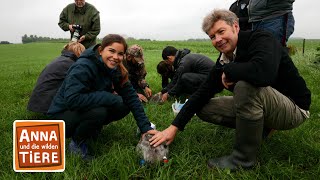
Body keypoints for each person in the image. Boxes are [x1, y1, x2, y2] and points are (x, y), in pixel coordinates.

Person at [150, 9, 311, 171]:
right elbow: (201, 93)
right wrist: (173, 127)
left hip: (294, 108)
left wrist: (229, 70)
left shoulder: (261, 39)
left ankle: (243, 159)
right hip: (267, 105)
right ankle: (260, 129)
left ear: (235, 27)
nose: (218, 40)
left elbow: (263, 74)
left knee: (245, 85)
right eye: (212, 36)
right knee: (203, 107)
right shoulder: (224, 59)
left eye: (221, 31)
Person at [47, 34, 158, 160]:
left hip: (81, 109)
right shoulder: (83, 66)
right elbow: (72, 100)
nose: (115, 57)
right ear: (100, 50)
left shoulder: (115, 69)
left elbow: (131, 97)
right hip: (60, 117)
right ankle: (77, 144)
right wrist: (107, 97)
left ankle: (90, 130)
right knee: (99, 111)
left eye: (120, 54)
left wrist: (145, 128)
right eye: (111, 51)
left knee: (124, 104)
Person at [27, 42, 85, 114]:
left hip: (39, 102)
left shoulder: (61, 59)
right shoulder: (70, 64)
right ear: (80, 52)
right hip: (46, 105)